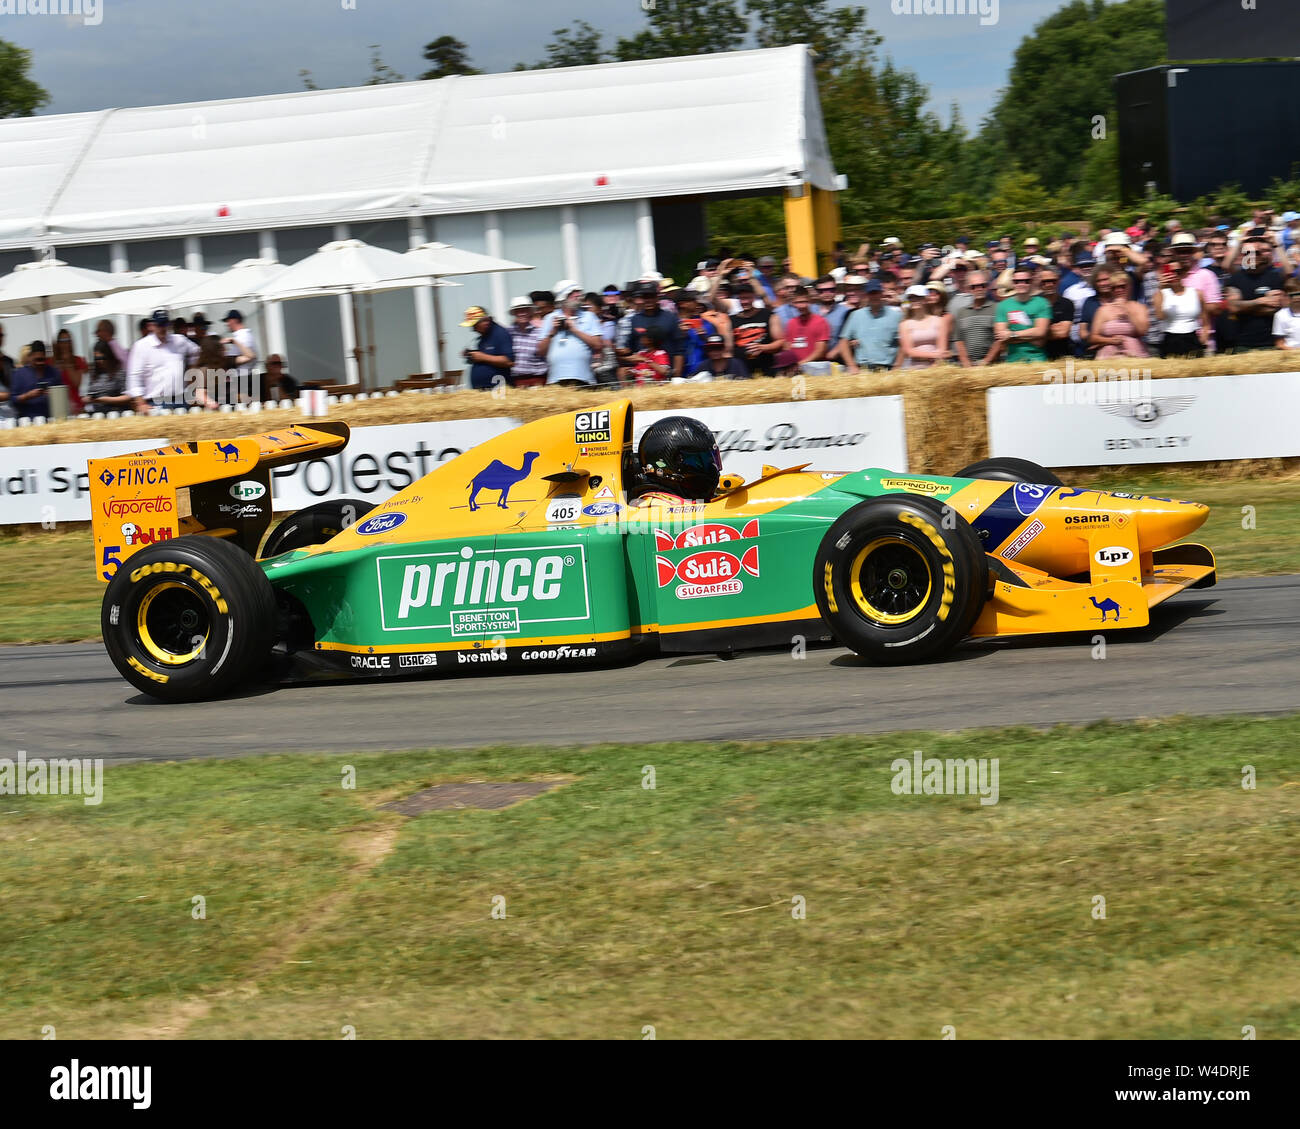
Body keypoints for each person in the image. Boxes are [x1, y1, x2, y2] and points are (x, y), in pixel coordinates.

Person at [627, 415, 722, 504]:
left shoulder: (686, 502)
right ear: (674, 463)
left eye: (709, 460)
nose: (711, 468)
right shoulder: (656, 508)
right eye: (697, 461)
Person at [126, 310, 200, 412]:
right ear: (151, 325)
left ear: (169, 325)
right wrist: (141, 403)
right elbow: (134, 377)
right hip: (156, 403)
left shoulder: (180, 340)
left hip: (181, 400)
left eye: (165, 324)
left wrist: (192, 375)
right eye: (159, 325)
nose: (162, 328)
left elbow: (196, 352)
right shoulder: (141, 346)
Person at [1224, 236, 1287, 353]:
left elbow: (1275, 307)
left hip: (1271, 343)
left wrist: (1244, 307)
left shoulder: (1274, 276)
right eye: (1247, 253)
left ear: (1263, 255)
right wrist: (1260, 301)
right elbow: (1233, 307)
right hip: (1243, 343)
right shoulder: (1236, 278)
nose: (1252, 256)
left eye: (1256, 253)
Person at [538, 281, 603, 386]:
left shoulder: (589, 316)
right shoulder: (550, 318)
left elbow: (598, 345)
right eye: (573, 292)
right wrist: (552, 331)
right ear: (564, 296)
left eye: (578, 291)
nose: (578, 295)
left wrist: (574, 329)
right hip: (556, 379)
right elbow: (541, 351)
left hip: (584, 378)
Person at [835, 279, 901, 372]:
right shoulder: (856, 315)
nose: (874, 296)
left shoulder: (895, 316)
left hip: (887, 369)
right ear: (866, 295)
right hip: (863, 369)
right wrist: (851, 365)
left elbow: (903, 343)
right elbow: (843, 341)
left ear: (882, 293)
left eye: (876, 293)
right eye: (871, 293)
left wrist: (897, 365)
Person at [995, 270, 1051, 363]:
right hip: (1012, 361)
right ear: (1013, 283)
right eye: (1017, 281)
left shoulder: (1042, 302)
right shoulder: (1003, 305)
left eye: (1026, 281)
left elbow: (1041, 332)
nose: (1022, 284)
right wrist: (1033, 336)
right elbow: (1001, 337)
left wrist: (1012, 335)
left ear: (1031, 281)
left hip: (1038, 360)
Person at [1088, 273, 1149, 358]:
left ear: (1129, 286)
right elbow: (1093, 337)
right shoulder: (1103, 310)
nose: (1118, 290)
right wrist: (1110, 340)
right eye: (1113, 288)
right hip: (1109, 356)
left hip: (1135, 354)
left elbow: (1143, 331)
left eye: (1122, 286)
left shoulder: (1139, 307)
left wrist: (1128, 311)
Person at [1153, 262, 1207, 358]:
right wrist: (1161, 288)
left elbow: (1206, 320)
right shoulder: (1160, 294)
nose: (1175, 275)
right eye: (1171, 272)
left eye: (1178, 272)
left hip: (1192, 339)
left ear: (1184, 273)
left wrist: (1204, 337)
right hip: (1170, 340)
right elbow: (1160, 316)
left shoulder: (1197, 293)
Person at [728, 283, 783, 376]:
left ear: (753, 297)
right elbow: (729, 349)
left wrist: (762, 347)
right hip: (743, 369)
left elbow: (781, 341)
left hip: (766, 365)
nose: (744, 302)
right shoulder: (731, 319)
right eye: (741, 299)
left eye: (747, 298)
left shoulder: (767, 315)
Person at [951, 273, 1001, 367]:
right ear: (969, 289)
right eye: (974, 287)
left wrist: (986, 361)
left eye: (983, 285)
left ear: (987, 287)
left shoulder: (997, 308)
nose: (979, 289)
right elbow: (958, 340)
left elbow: (999, 340)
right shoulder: (962, 312)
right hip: (967, 365)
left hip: (991, 366)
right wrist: (966, 363)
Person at [460, 305, 515, 390]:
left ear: (485, 321)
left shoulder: (500, 334)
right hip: (483, 391)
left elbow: (509, 362)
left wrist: (482, 357)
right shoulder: (484, 335)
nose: (473, 329)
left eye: (474, 325)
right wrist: (471, 355)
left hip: (497, 391)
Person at [9, 341, 66, 419]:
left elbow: (62, 397)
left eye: (42, 359)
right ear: (30, 357)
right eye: (37, 359)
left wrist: (54, 395)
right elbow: (13, 400)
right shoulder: (19, 374)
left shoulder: (54, 372)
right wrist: (27, 396)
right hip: (28, 421)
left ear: (45, 357)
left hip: (51, 419)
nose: (40, 363)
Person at [897, 285, 948, 368]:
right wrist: (932, 355)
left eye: (918, 297)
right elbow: (908, 351)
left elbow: (942, 349)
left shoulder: (939, 321)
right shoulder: (904, 325)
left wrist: (935, 365)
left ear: (925, 299)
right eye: (911, 298)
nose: (914, 300)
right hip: (914, 369)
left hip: (936, 368)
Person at [783, 286, 830, 367]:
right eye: (797, 302)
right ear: (793, 303)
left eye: (804, 302)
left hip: (815, 369)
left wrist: (801, 364)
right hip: (795, 369)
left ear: (810, 301)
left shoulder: (820, 321)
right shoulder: (791, 323)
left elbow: (821, 350)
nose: (801, 306)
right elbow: (787, 347)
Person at [83, 340, 133, 414]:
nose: (100, 361)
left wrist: (106, 400)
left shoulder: (119, 372)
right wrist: (88, 398)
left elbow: (128, 397)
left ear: (109, 356)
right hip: (96, 412)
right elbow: (90, 393)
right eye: (97, 359)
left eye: (103, 358)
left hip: (115, 412)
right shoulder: (94, 373)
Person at [506, 296, 547, 387]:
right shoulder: (508, 333)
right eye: (519, 311)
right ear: (514, 313)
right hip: (516, 381)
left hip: (538, 380)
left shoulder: (540, 332)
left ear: (530, 312)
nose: (522, 314)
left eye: (525, 310)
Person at [1039, 269, 1075, 361]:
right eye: (1045, 282)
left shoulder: (1066, 303)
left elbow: (1063, 333)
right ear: (1040, 283)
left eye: (1053, 281)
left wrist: (1040, 330)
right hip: (1040, 354)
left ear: (1058, 281)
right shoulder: (1035, 303)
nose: (1049, 284)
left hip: (1062, 353)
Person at [50, 328, 86, 413]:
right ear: (58, 343)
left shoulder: (78, 360)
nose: (65, 343)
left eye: (68, 340)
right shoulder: (51, 361)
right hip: (58, 406)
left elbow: (77, 383)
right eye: (62, 340)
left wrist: (67, 363)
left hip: (76, 406)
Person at [1272, 279, 1300, 349]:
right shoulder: (1280, 315)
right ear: (1286, 296)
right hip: (1291, 354)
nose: (1297, 298)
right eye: (1292, 295)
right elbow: (1280, 343)